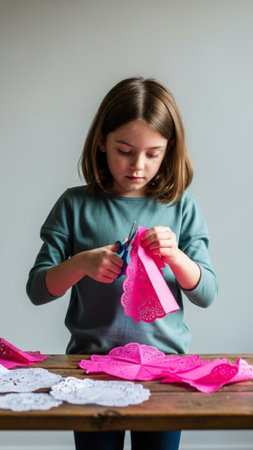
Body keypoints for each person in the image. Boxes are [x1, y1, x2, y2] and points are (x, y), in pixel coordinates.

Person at [26, 77, 218, 450]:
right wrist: (80, 264)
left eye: (153, 153)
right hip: (88, 370)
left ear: (169, 150)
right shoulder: (73, 205)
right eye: (125, 150)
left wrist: (176, 257)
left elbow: (207, 293)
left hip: (164, 371)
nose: (138, 165)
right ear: (101, 142)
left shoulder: (181, 206)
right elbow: (36, 289)